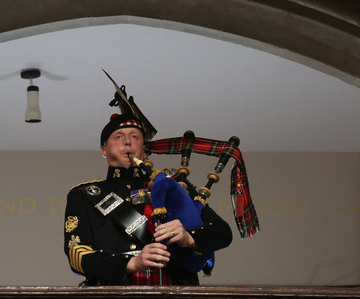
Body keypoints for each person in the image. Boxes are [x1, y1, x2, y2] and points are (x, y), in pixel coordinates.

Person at [64, 113, 233, 285]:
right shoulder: (83, 195)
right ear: (104, 149)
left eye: (134, 136)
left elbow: (222, 232)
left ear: (143, 148)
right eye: (119, 136)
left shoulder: (170, 184)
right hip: (113, 296)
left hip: (176, 293)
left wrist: (188, 238)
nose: (127, 142)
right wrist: (132, 264)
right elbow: (77, 254)